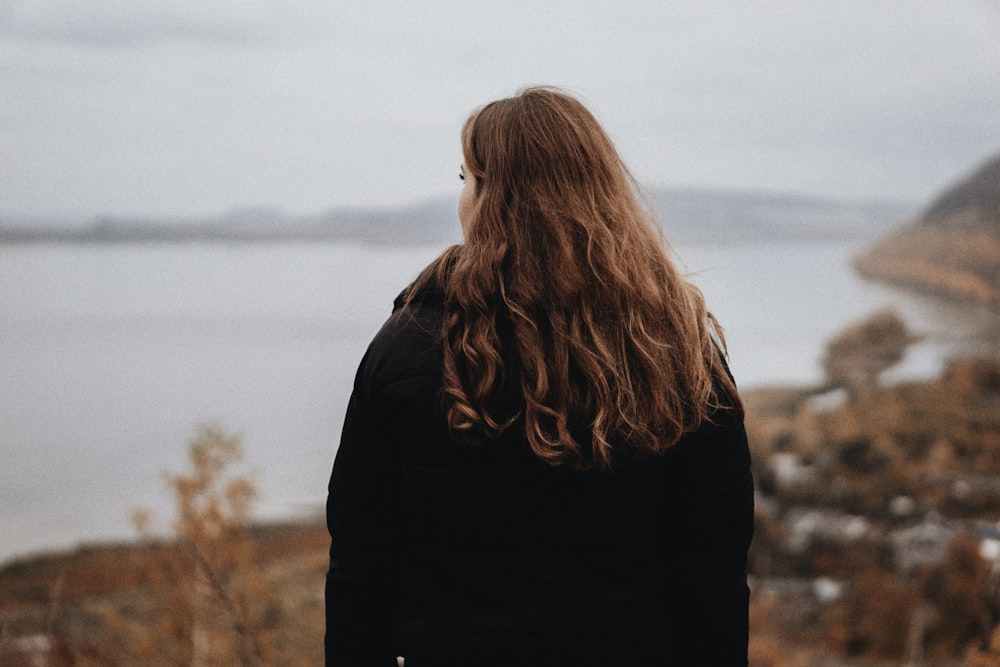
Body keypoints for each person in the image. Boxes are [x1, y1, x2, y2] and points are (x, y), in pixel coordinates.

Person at [326, 86, 754, 666]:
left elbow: (361, 568)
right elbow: (712, 574)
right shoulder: (674, 347)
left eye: (468, 179)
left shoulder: (407, 347)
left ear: (493, 199)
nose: (462, 199)